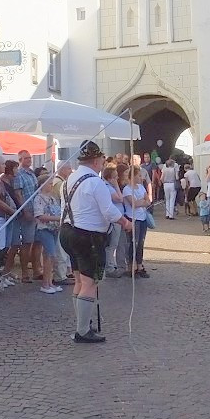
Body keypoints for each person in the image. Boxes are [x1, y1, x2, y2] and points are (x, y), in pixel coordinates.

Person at [59, 141, 133, 343]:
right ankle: (83, 330)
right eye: (101, 158)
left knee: (80, 280)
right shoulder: (95, 182)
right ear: (96, 160)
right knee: (89, 282)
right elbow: (108, 211)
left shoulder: (69, 179)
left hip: (67, 231)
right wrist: (125, 222)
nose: (103, 162)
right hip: (87, 236)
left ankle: (82, 323)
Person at [6, 150, 39, 283]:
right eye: (25, 158)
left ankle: (26, 272)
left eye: (29, 158)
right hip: (24, 213)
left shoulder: (31, 173)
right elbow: (18, 194)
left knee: (28, 243)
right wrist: (24, 210)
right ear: (20, 160)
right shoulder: (19, 174)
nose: (29, 160)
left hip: (33, 212)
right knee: (17, 243)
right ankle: (17, 272)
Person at [32, 174, 63, 294]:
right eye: (49, 183)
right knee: (50, 255)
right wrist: (57, 218)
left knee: (50, 256)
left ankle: (49, 282)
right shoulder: (39, 198)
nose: (51, 185)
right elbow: (40, 215)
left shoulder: (52, 198)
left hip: (54, 229)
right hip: (45, 229)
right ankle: (45, 284)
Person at [122, 164, 151, 277]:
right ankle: (131, 267)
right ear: (133, 176)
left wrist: (142, 202)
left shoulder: (141, 187)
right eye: (139, 175)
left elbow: (147, 200)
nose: (141, 178)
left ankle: (139, 266)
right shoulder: (127, 189)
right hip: (133, 218)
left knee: (141, 243)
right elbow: (134, 204)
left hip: (142, 218)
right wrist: (142, 202)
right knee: (133, 243)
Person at [102, 166, 125, 278]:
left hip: (118, 217)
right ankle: (109, 267)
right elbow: (120, 199)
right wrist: (116, 186)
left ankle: (112, 263)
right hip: (114, 220)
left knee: (116, 243)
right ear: (110, 178)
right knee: (112, 243)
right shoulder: (108, 188)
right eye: (115, 177)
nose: (117, 179)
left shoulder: (109, 186)